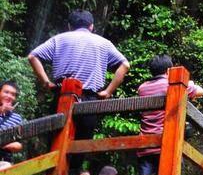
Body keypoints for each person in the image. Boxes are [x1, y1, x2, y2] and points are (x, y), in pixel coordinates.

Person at [27, 10, 130, 144]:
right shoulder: (104, 43)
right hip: (89, 99)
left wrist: (46, 83)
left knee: (56, 143)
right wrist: (108, 91)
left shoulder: (59, 39)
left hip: (61, 95)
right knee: (81, 145)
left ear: (70, 26)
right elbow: (125, 65)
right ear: (91, 26)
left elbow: (32, 56)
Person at [129, 55, 203, 175]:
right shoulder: (171, 85)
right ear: (169, 70)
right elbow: (200, 92)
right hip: (165, 145)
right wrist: (189, 83)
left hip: (145, 145)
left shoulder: (142, 88)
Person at [0, 81, 23, 175]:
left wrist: (3, 144)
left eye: (13, 94)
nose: (10, 96)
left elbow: (18, 144)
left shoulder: (16, 118)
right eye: (6, 92)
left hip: (4, 160)